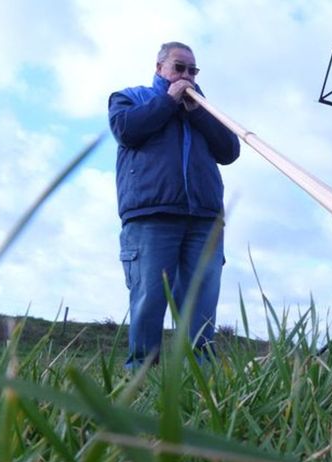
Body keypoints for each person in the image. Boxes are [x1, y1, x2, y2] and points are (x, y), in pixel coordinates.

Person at [108, 42, 240, 368]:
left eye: (192, 70)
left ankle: (201, 383)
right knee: (149, 299)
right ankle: (139, 379)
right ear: (159, 68)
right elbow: (126, 130)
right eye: (179, 67)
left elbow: (230, 150)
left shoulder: (203, 109)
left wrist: (197, 112)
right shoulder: (130, 97)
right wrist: (169, 102)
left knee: (201, 304)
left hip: (204, 220)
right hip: (152, 216)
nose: (186, 75)